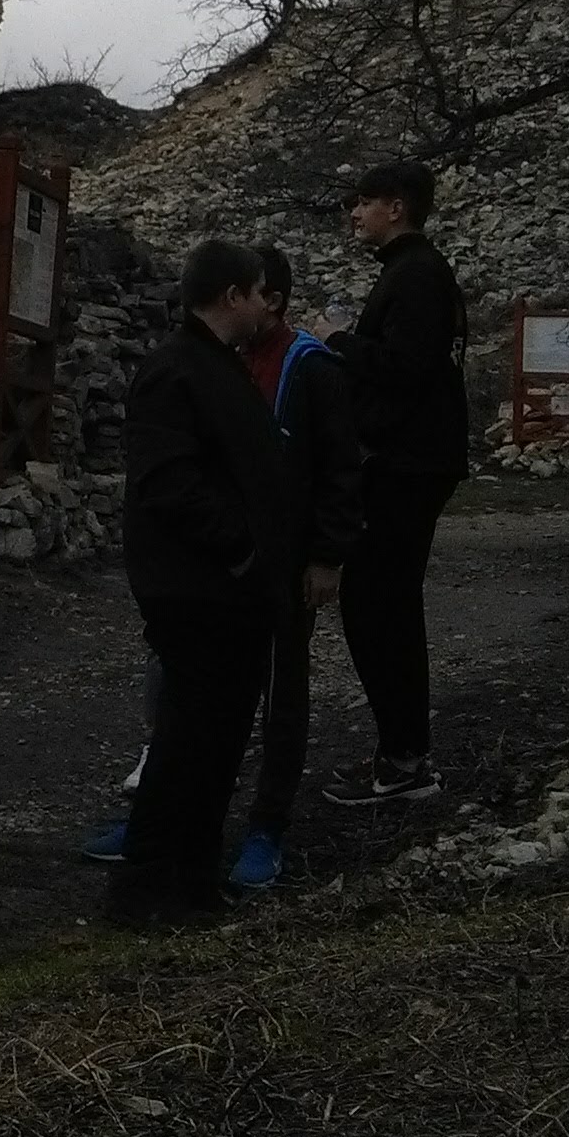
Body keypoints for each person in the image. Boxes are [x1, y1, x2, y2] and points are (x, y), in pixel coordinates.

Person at [107, 239, 288, 926]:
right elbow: (168, 484)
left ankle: (190, 882)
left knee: (215, 739)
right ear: (232, 296)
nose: (268, 304)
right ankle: (149, 886)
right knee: (190, 739)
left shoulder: (213, 367)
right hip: (197, 588)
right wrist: (243, 544)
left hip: (225, 589)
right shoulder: (175, 370)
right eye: (260, 291)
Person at [321, 160, 468, 809]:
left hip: (407, 465)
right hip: (408, 461)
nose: (354, 213)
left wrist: (337, 343)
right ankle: (402, 754)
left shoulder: (418, 276)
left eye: (365, 202)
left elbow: (406, 370)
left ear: (397, 207)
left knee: (380, 606)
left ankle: (405, 761)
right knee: (382, 604)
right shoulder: (413, 273)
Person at [226, 246, 362, 889]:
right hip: (227, 555)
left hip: (285, 562)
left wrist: (328, 556)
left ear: (271, 300)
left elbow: (340, 467)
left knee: (281, 692)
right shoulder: (226, 357)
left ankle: (266, 825)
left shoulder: (312, 369)